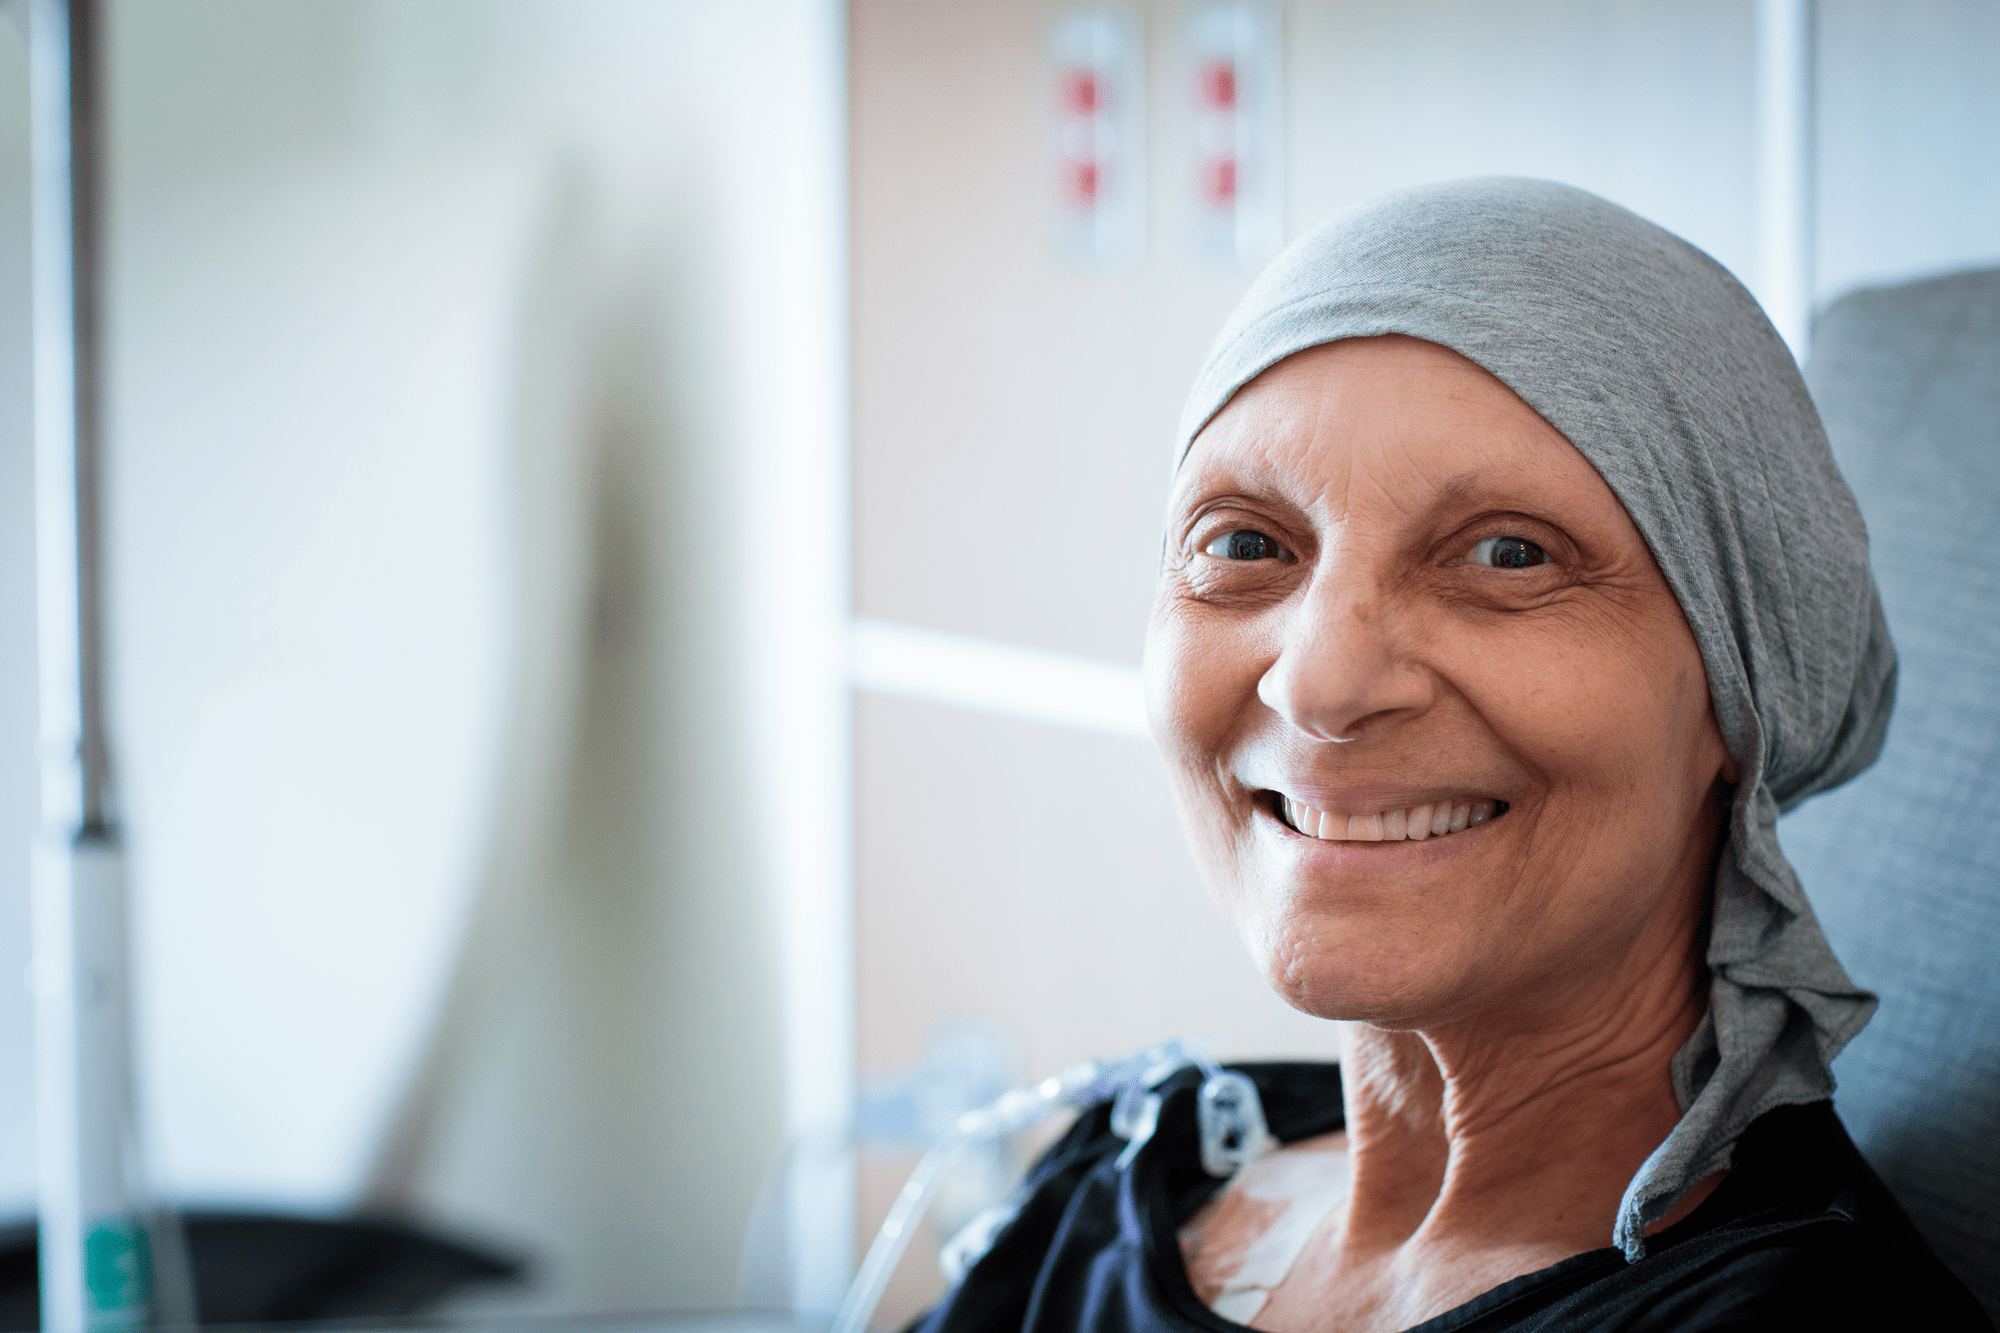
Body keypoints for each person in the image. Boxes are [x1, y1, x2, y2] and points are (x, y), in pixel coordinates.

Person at [914, 180, 1990, 1331]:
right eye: (1243, 543)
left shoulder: (1792, 1319)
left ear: (1738, 697)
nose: (1317, 682)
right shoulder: (1142, 1161)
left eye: (1509, 554)